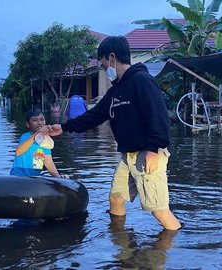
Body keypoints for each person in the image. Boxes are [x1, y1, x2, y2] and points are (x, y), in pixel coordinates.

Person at [47, 36, 181, 230]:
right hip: (128, 156)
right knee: (116, 199)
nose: (103, 69)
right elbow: (95, 115)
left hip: (148, 154)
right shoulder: (116, 90)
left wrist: (153, 149)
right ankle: (121, 242)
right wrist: (65, 127)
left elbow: (159, 116)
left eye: (102, 64)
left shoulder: (142, 81)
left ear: (111, 57)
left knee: (159, 210)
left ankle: (172, 248)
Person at [10, 108, 66, 178]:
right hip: (18, 177)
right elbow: (19, 152)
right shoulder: (25, 137)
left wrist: (59, 178)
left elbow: (48, 162)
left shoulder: (45, 141)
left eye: (42, 119)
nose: (39, 123)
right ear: (28, 124)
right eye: (34, 120)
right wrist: (37, 133)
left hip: (34, 179)